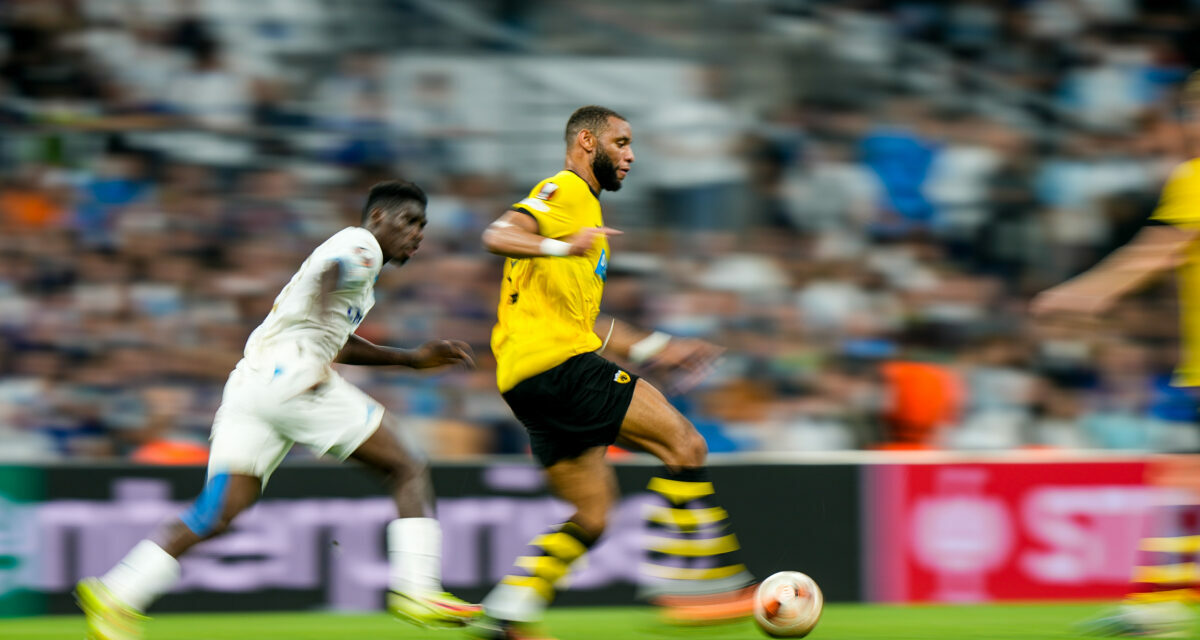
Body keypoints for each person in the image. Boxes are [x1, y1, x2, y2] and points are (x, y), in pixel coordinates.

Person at [76, 181, 481, 640]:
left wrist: (409, 359)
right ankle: (418, 588)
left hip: (252, 386)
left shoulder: (358, 269)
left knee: (219, 510)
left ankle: (117, 592)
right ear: (378, 219)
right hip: (291, 378)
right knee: (407, 465)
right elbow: (333, 273)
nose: (418, 234)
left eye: (423, 226)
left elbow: (335, 336)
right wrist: (312, 360)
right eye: (410, 221)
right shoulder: (360, 245)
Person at [474, 105, 756, 640]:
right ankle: (699, 583)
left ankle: (505, 616)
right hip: (560, 368)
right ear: (587, 141)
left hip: (525, 380)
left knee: (593, 514)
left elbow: (584, 322)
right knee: (685, 446)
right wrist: (560, 244)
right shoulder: (565, 192)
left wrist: (657, 345)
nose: (630, 155)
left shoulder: (587, 217)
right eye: (621, 143)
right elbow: (497, 234)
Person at [1032, 73, 1200, 638]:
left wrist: (1085, 292)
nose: (1192, 124)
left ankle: (1159, 605)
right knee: (1181, 483)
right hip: (1193, 370)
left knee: (1183, 483)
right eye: (1189, 112)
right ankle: (1158, 604)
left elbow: (1158, 251)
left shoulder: (1194, 178)